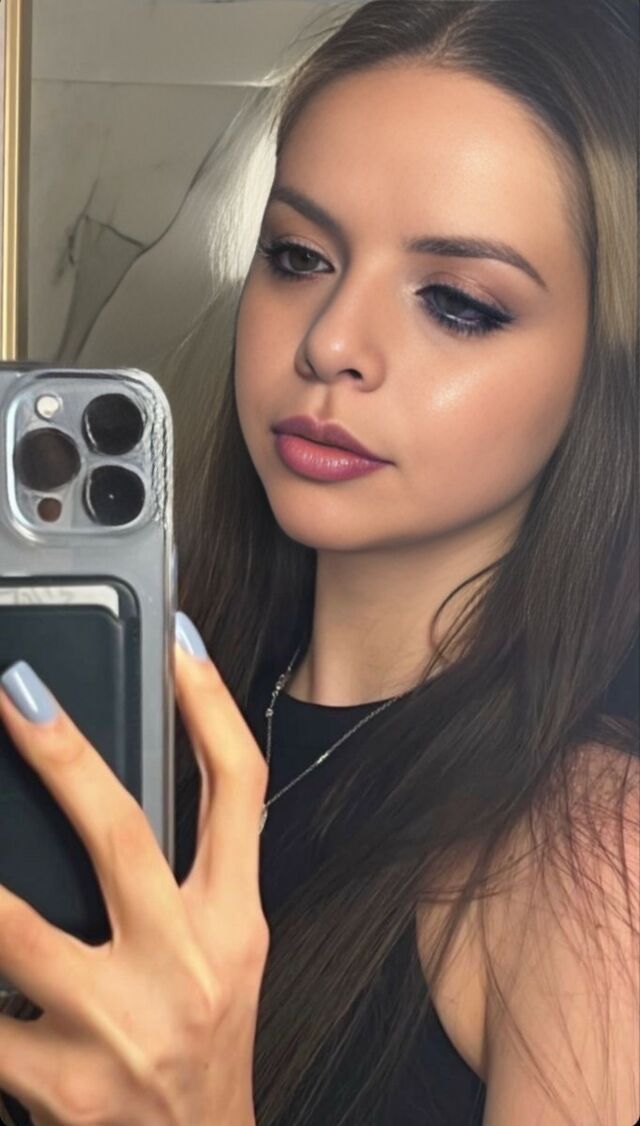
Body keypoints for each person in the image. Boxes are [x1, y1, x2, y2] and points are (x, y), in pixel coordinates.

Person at [0, 0, 637, 1123]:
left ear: (603, 369)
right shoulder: (131, 717)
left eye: (457, 303)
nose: (330, 341)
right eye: (298, 256)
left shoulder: (592, 855)